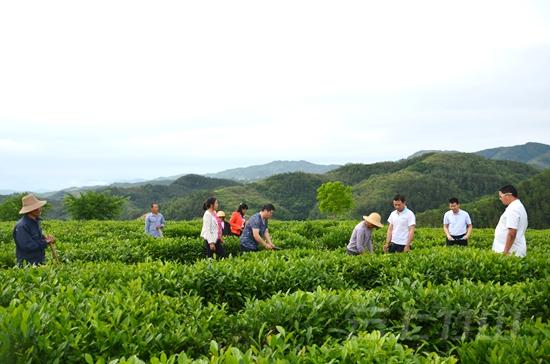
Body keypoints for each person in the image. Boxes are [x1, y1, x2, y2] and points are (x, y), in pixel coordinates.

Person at [12, 194, 56, 266]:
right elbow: (27, 246)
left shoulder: (36, 221)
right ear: (30, 210)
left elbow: (37, 237)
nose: (40, 209)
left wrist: (46, 238)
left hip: (39, 260)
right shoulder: (21, 226)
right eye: (37, 207)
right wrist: (45, 242)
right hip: (28, 264)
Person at [492, 185, 528, 257]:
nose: (500, 199)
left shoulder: (513, 209)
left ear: (508, 195)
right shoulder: (517, 206)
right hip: (513, 250)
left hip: (511, 252)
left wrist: (505, 252)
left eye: (501, 196)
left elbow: (512, 232)